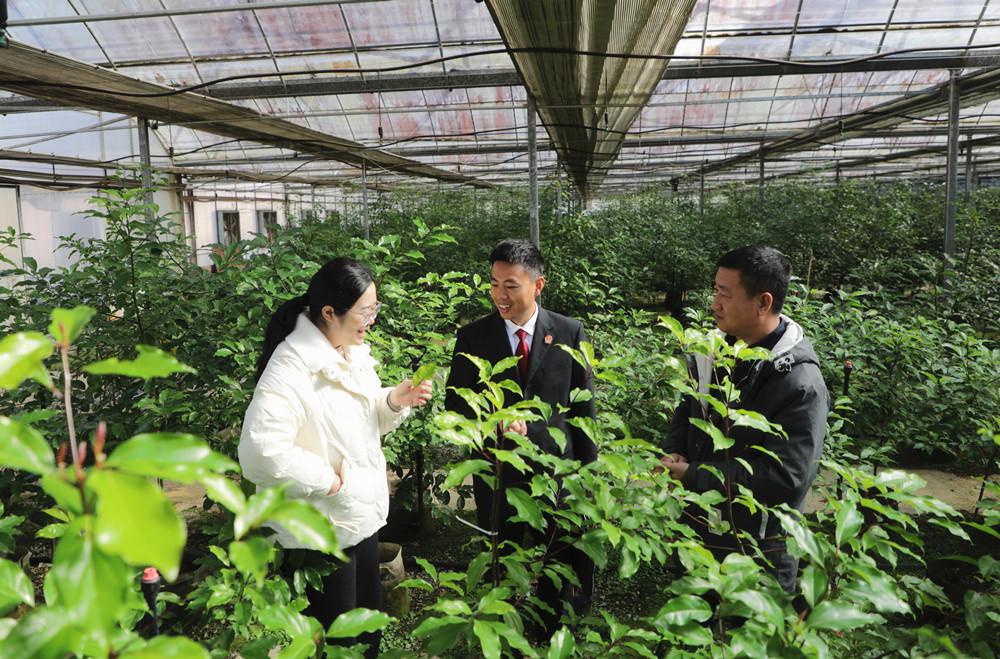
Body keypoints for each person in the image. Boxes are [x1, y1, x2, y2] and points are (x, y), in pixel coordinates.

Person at [239, 257, 432, 658]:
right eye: (365, 311)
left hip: (356, 518)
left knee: (366, 631)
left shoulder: (348, 351)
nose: (372, 321)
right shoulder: (292, 367)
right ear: (329, 312)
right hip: (320, 532)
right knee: (336, 641)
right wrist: (326, 480)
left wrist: (393, 401)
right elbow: (260, 450)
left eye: (374, 309)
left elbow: (358, 422)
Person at [444, 239, 597, 634]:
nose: (500, 295)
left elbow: (583, 411)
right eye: (494, 284)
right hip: (498, 472)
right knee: (500, 558)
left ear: (538, 285)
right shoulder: (473, 337)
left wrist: (588, 476)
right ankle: (501, 631)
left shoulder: (569, 331)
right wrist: (493, 422)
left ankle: (551, 629)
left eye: (510, 285)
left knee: (556, 557)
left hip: (556, 471)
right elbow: (456, 405)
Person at [660, 245, 829, 592]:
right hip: (698, 537)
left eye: (725, 294)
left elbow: (786, 476)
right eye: (715, 290)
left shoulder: (799, 382)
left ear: (763, 303)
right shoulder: (714, 353)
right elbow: (688, 411)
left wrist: (693, 474)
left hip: (758, 552)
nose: (715, 303)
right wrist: (676, 450)